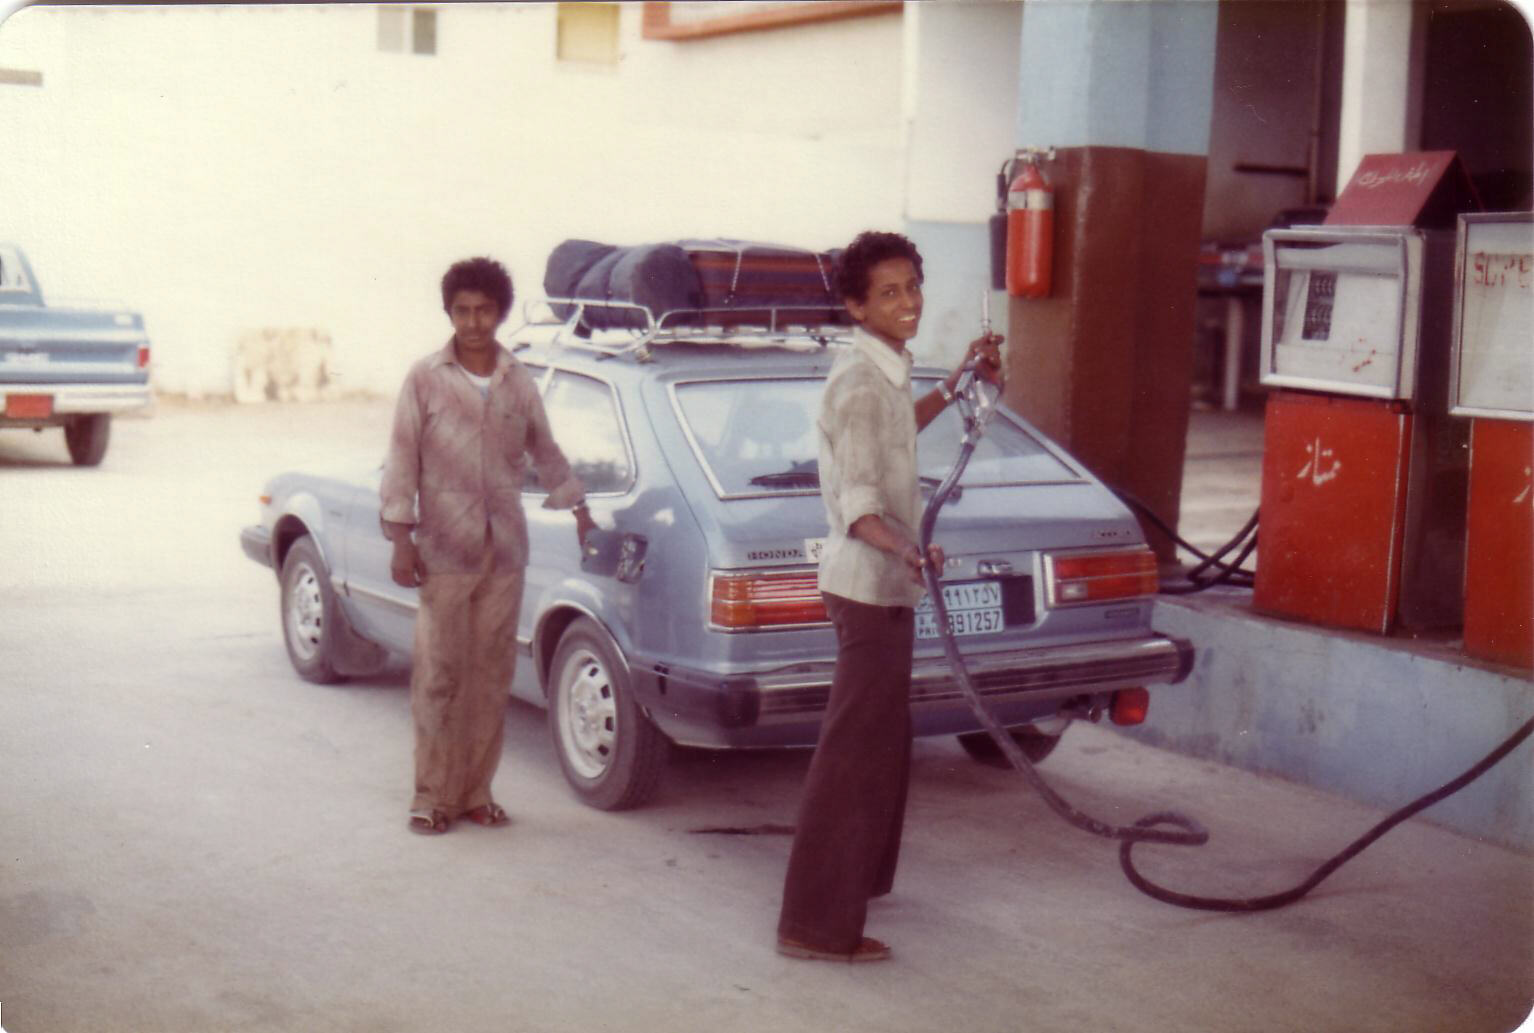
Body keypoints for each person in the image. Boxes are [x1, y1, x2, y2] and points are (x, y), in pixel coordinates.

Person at [776, 231, 1002, 962]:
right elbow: (859, 505)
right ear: (854, 305)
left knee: (879, 748)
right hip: (868, 588)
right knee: (852, 757)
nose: (908, 303)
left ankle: (852, 889)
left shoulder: (887, 374)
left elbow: (898, 432)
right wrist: (909, 548)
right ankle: (813, 926)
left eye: (913, 286)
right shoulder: (859, 383)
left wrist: (961, 379)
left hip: (882, 587)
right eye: (889, 292)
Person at [380, 256, 596, 836]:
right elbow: (402, 459)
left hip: (504, 555)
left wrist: (578, 506)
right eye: (462, 311)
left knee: (490, 676)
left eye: (483, 310)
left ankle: (476, 792)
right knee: (439, 676)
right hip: (444, 553)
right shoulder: (425, 377)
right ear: (449, 313)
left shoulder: (517, 379)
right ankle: (431, 796)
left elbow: (544, 449)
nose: (473, 322)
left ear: (499, 312)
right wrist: (401, 538)